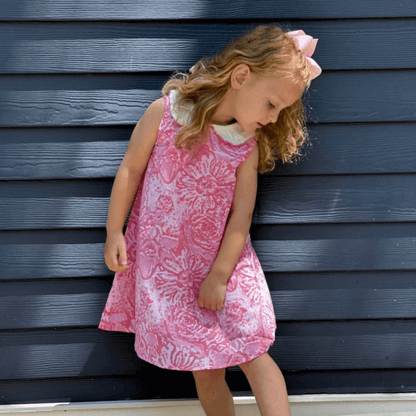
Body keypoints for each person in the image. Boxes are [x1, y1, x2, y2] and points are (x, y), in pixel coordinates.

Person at [99, 25, 321, 416]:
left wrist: (219, 275)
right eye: (271, 104)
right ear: (241, 77)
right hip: (171, 267)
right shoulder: (164, 115)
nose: (274, 118)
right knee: (207, 370)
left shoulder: (243, 145)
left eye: (283, 111)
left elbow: (242, 215)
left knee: (255, 351)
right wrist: (114, 230)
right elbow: (130, 171)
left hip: (226, 264)